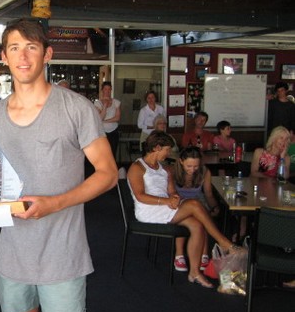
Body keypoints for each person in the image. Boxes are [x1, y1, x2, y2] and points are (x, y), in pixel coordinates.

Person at [0, 18, 117, 312]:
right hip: (14, 252)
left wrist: (55, 202)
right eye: (15, 48)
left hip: (63, 251)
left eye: (32, 47)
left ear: (48, 54)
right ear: (4, 58)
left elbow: (108, 173)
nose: (23, 55)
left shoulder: (76, 107)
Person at [127, 131, 242, 288]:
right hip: (148, 211)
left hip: (165, 207)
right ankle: (224, 243)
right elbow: (140, 196)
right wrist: (167, 200)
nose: (169, 153)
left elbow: (172, 191)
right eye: (167, 150)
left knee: (197, 225)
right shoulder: (137, 167)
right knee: (194, 204)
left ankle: (194, 272)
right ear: (157, 148)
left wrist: (174, 198)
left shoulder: (164, 168)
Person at [169, 146, 220, 273]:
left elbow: (208, 194)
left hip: (197, 200)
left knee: (203, 217)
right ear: (181, 161)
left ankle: (204, 253)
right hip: (179, 200)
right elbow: (171, 194)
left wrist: (214, 206)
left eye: (196, 166)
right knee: (188, 216)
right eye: (189, 166)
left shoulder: (204, 172)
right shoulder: (172, 172)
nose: (192, 169)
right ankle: (179, 254)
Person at [94, 80, 121, 160]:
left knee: (112, 154)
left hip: (113, 131)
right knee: (102, 154)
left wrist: (105, 121)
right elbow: (100, 118)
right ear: (102, 90)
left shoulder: (116, 102)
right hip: (102, 132)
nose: (107, 91)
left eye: (109, 89)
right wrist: (105, 105)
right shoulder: (97, 103)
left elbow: (117, 118)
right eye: (105, 89)